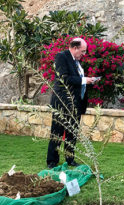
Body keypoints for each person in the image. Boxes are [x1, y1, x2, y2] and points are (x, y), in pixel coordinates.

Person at [46, 37, 99, 168]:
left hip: (76, 103)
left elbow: (77, 79)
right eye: (83, 51)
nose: (84, 54)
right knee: (57, 131)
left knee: (72, 132)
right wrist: (83, 80)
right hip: (62, 102)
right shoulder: (61, 57)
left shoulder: (77, 61)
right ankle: (52, 161)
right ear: (75, 48)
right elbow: (63, 78)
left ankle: (70, 159)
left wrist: (88, 80)